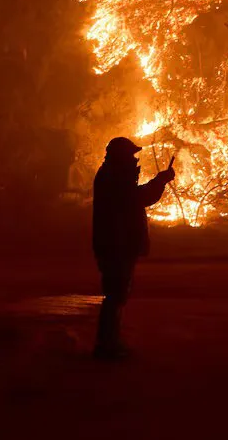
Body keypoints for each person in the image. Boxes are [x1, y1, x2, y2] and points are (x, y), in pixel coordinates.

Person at [91, 136, 176, 360]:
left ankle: (110, 342)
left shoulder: (112, 176)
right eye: (130, 155)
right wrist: (160, 180)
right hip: (116, 245)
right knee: (115, 295)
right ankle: (107, 346)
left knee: (117, 295)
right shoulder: (114, 178)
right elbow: (139, 198)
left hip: (116, 244)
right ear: (120, 156)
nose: (134, 159)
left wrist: (159, 181)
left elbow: (136, 198)